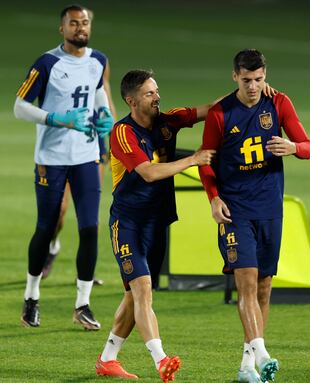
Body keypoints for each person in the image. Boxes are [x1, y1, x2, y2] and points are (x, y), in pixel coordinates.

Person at [94, 69, 219, 382]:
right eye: (149, 94)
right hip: (129, 224)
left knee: (134, 295)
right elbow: (148, 173)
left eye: (157, 91)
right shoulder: (122, 132)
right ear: (131, 101)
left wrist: (247, 92)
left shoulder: (168, 120)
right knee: (143, 289)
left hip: (158, 222)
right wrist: (192, 160)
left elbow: (210, 109)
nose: (157, 97)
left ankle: (107, 359)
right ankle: (161, 360)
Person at [199, 49, 310, 383]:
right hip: (235, 210)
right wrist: (213, 197)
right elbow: (207, 160)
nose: (253, 86)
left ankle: (247, 365)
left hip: (269, 208)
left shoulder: (278, 104)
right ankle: (263, 354)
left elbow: (307, 146)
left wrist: (292, 148)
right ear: (234, 76)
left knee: (264, 287)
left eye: (259, 79)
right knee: (246, 281)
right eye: (247, 80)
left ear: (266, 75)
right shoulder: (220, 114)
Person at [14, 4, 114, 330]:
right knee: (46, 227)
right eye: (73, 23)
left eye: (84, 22)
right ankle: (31, 297)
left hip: (85, 157)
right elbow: (19, 107)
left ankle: (82, 304)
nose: (80, 28)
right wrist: (54, 118)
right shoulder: (48, 63)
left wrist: (103, 118)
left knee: (89, 228)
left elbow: (97, 92)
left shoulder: (98, 60)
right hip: (52, 159)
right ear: (62, 29)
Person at [42, 60, 118, 284]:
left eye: (85, 22)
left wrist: (113, 136)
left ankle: (85, 272)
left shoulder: (99, 64)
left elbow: (107, 98)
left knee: (89, 216)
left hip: (93, 146)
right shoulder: (57, 66)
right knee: (59, 211)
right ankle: (52, 245)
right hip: (66, 147)